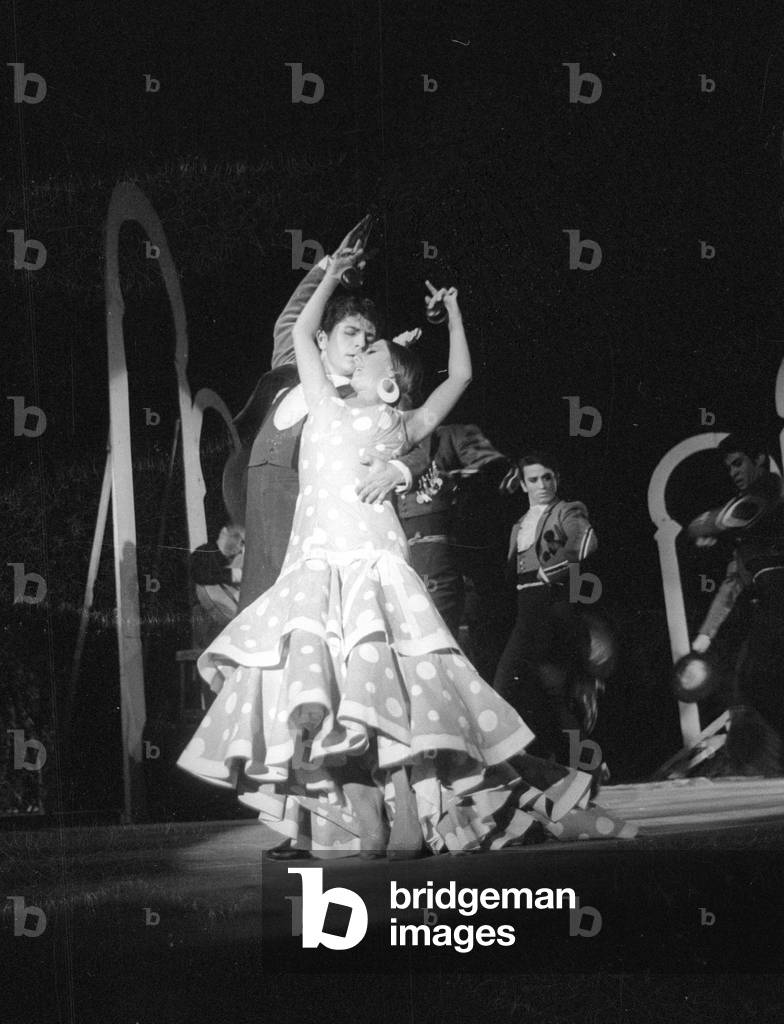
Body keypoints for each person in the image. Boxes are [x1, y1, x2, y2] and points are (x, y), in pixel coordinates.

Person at [178, 252, 635, 857]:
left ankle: (409, 815)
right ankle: (365, 816)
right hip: (316, 567)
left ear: (389, 380)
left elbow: (461, 378)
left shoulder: (402, 425)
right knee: (317, 700)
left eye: (373, 348)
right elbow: (296, 333)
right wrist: (333, 273)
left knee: (379, 691)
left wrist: (454, 316)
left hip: (374, 567)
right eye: (358, 340)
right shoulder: (321, 400)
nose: (367, 346)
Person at [222, 218, 428, 612]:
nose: (359, 345)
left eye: (368, 340)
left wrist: (398, 472)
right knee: (257, 612)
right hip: (257, 505)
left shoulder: (366, 399)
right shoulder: (294, 365)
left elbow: (417, 439)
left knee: (303, 616)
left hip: (310, 513)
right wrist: (331, 265)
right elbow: (291, 318)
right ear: (321, 339)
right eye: (350, 333)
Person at [493, 453, 602, 765]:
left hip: (552, 608)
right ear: (523, 484)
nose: (542, 485)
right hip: (527, 608)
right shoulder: (519, 525)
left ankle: (570, 766)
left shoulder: (567, 510)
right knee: (542, 694)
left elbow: (585, 542)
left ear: (556, 479)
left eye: (547, 478)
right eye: (534, 479)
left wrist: (552, 570)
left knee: (510, 686)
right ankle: (573, 767)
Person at [688, 433, 784, 743]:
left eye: (738, 463)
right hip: (770, 608)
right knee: (747, 680)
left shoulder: (769, 487)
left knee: (753, 676)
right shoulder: (746, 539)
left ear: (759, 460)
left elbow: (728, 517)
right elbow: (731, 583)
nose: (734, 473)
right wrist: (705, 635)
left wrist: (704, 526)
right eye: (729, 467)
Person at [189, 524, 245, 648]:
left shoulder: (238, 557)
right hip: (208, 619)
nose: (241, 547)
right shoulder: (203, 553)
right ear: (224, 533)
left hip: (232, 618)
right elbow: (200, 575)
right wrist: (233, 575)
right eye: (239, 541)